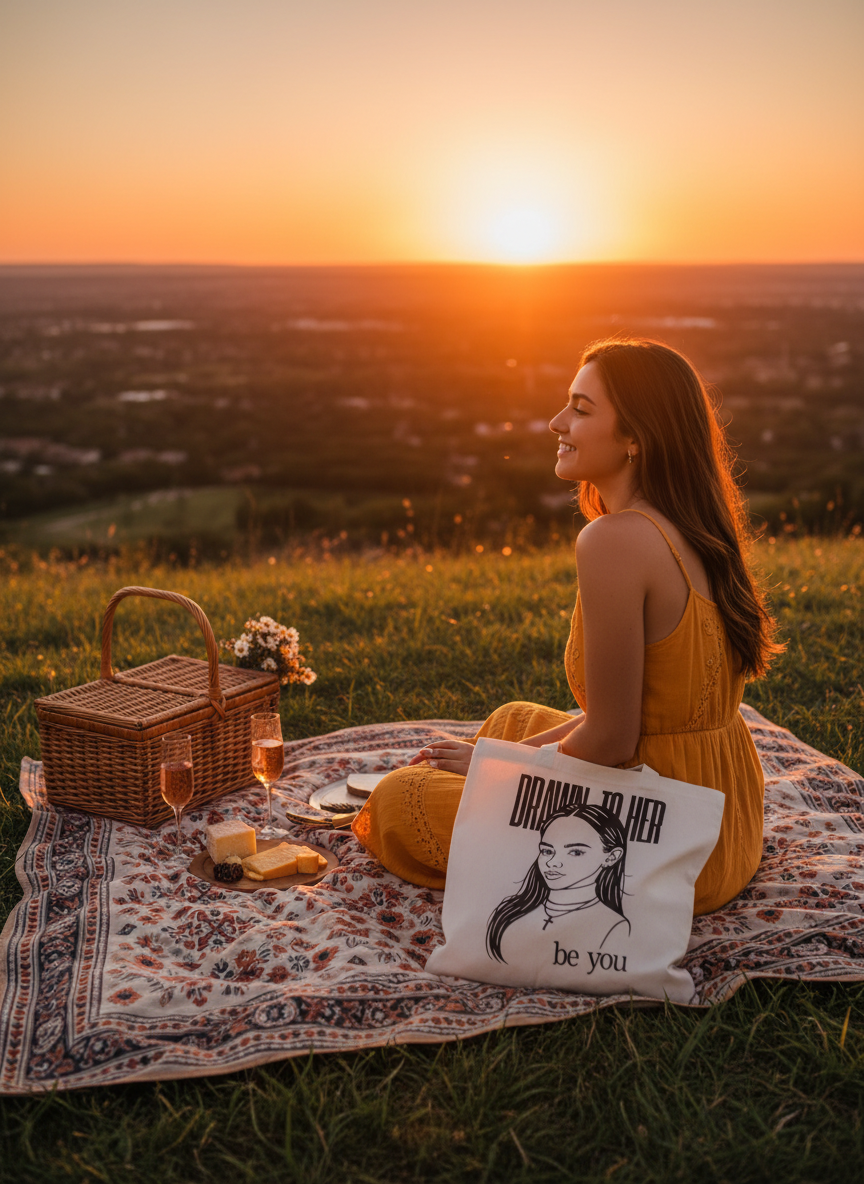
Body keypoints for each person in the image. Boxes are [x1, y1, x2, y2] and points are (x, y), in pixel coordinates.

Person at [352, 337, 781, 915]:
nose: (557, 422)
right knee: (510, 721)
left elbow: (611, 739)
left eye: (581, 409)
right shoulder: (692, 522)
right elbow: (637, 717)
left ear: (635, 437)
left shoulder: (614, 541)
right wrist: (504, 756)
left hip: (662, 834)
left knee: (400, 799)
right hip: (723, 810)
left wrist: (497, 770)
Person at [486, 803, 630, 963]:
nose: (552, 862)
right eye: (547, 851)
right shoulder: (510, 910)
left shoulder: (613, 926)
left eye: (576, 852)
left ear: (611, 857)